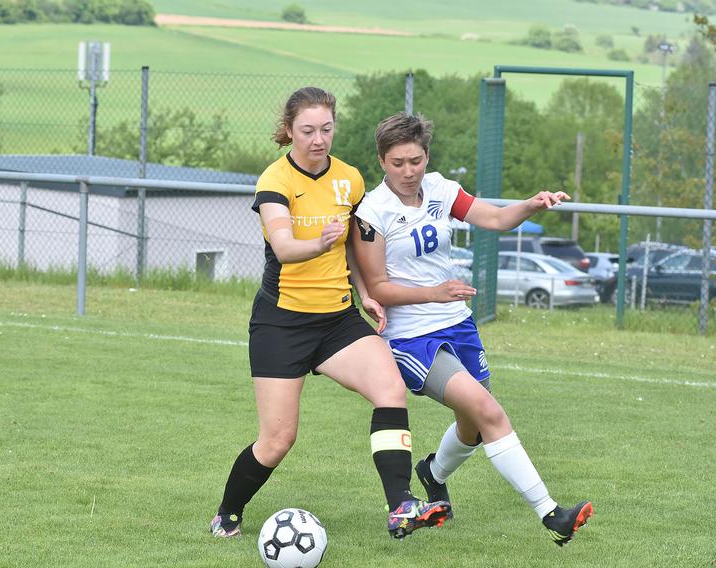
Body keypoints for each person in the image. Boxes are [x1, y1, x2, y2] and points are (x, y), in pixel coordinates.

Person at [209, 89, 450, 540]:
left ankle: (401, 505)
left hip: (337, 320)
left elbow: (355, 249)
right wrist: (318, 242)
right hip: (281, 324)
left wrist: (364, 292)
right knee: (278, 440)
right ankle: (228, 512)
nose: (319, 139)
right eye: (308, 131)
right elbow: (283, 246)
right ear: (289, 130)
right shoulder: (275, 182)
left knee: (389, 388)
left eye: (326, 129)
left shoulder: (350, 179)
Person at [351, 112, 593, 547]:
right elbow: (378, 289)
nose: (409, 171)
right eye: (397, 163)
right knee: (489, 411)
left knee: (474, 424)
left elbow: (496, 220)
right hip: (412, 338)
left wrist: (530, 205)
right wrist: (434, 292)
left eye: (416, 160)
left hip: (458, 323)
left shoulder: (441, 189)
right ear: (381, 162)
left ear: (427, 155)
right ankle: (551, 514)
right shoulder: (371, 212)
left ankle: (433, 472)